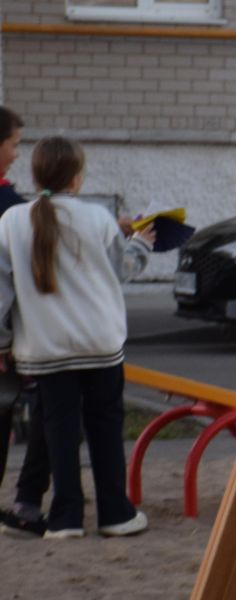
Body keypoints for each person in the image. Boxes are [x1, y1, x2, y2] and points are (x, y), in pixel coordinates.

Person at [0, 137, 154, 539]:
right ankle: (115, 513)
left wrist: (2, 343)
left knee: (59, 430)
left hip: (45, 349)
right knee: (105, 425)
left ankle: (65, 517)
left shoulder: (12, 221)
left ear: (35, 175)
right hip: (100, 344)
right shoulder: (98, 218)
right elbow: (123, 269)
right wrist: (141, 244)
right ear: (77, 178)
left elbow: (2, 293)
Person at [0, 107, 50, 536]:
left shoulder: (11, 202)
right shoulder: (7, 207)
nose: (16, 154)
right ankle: (27, 502)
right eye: (13, 144)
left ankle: (27, 500)